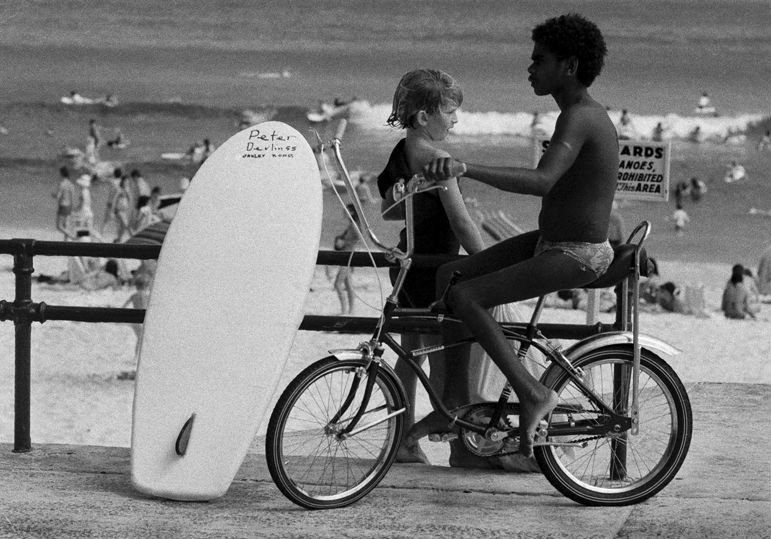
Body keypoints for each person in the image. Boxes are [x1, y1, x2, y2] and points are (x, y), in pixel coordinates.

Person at [417, 14, 617, 459]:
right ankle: (455, 401)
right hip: (551, 242)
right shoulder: (572, 115)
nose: (530, 68)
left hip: (579, 253)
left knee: (467, 297)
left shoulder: (582, 117)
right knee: (450, 276)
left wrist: (465, 167)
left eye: (539, 60)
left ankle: (533, 392)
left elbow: (543, 181)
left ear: (569, 65)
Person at [377, 68, 485, 464]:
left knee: (411, 354)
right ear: (425, 117)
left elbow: (389, 210)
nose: (456, 120)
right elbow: (461, 223)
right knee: (449, 356)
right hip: (438, 269)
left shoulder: (402, 153)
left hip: (409, 265)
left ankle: (403, 438)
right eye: (450, 112)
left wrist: (412, 195)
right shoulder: (439, 160)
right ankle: (460, 445)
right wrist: (487, 261)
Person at [332, 204, 361, 315]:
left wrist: (344, 242)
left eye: (346, 210)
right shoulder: (351, 225)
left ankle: (344, 310)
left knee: (338, 284)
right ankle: (350, 311)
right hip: (348, 257)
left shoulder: (353, 225)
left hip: (347, 258)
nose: (344, 211)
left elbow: (359, 239)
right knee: (348, 285)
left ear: (352, 212)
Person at [53, 166, 75, 240]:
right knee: (66, 225)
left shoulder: (61, 184)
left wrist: (53, 195)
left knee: (59, 226)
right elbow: (72, 197)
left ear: (61, 174)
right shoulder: (71, 184)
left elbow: (58, 196)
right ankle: (66, 241)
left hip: (63, 206)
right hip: (69, 206)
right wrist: (72, 207)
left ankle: (71, 236)